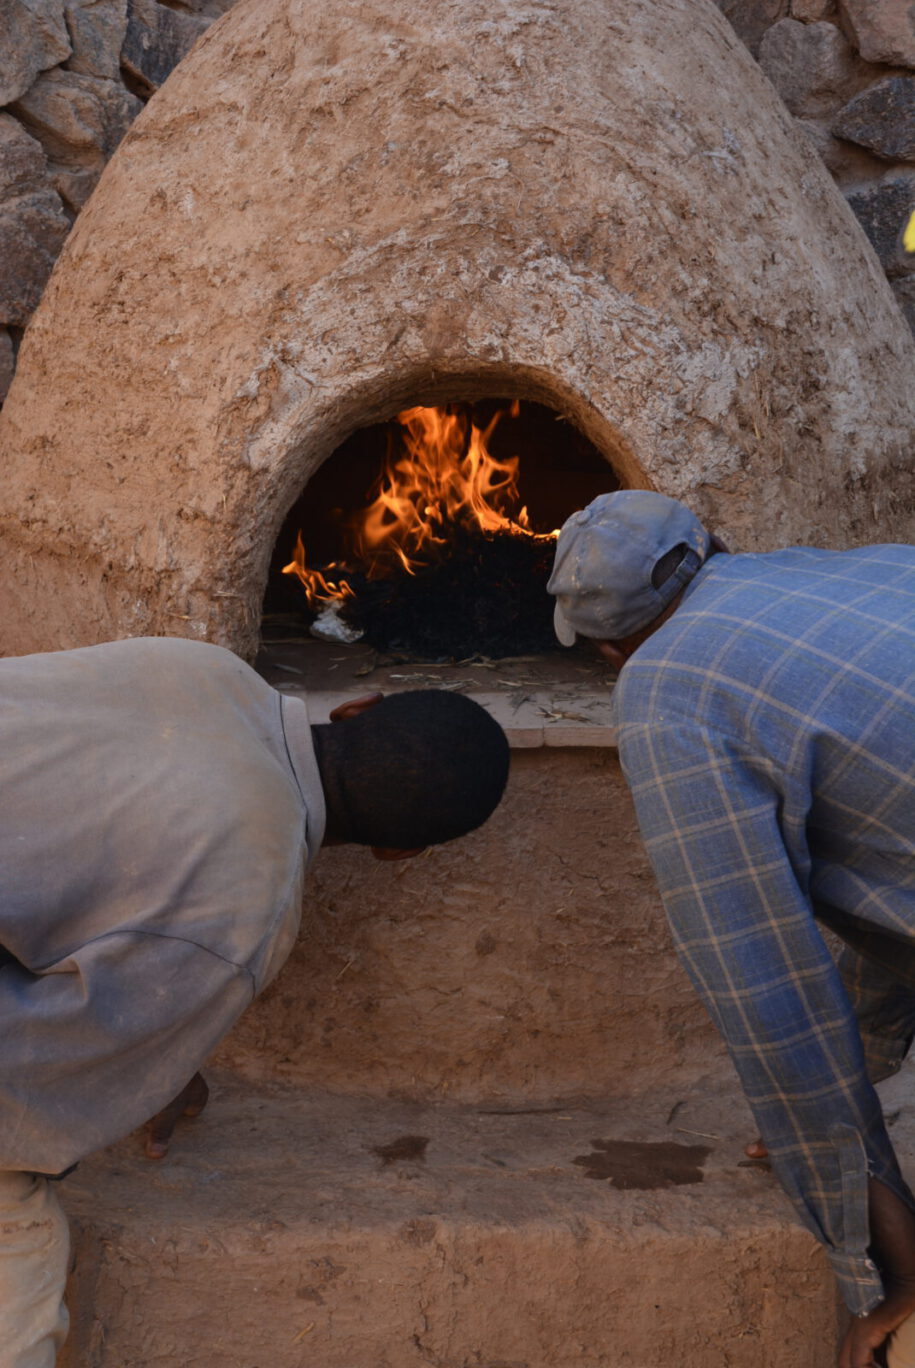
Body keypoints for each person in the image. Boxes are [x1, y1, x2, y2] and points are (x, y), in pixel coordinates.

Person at [0, 634, 510, 1367]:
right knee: (20, 1247)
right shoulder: (249, 909)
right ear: (399, 855)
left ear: (353, 709)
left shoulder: (197, 667)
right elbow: (22, 1095)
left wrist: (150, 1055)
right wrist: (117, 1079)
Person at [547, 490, 915, 1368]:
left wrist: (890, 1277)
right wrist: (860, 1076)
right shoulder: (859, 567)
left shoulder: (668, 686)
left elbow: (765, 986)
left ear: (606, 646)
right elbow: (887, 849)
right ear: (714, 543)